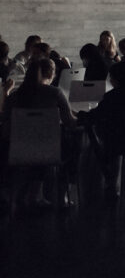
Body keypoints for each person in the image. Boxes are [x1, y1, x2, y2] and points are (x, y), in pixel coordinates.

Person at [2, 57, 78, 208]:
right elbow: (69, 121)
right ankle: (62, 195)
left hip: (18, 149)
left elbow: (5, 119)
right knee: (72, 147)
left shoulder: (16, 96)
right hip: (50, 149)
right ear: (51, 75)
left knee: (35, 141)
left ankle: (19, 195)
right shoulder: (55, 93)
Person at [79, 60, 125, 200]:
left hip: (121, 140)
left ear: (117, 78)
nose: (110, 79)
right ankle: (111, 179)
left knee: (93, 130)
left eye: (111, 76)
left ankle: (110, 178)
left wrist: (79, 115)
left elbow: (96, 115)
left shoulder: (113, 96)